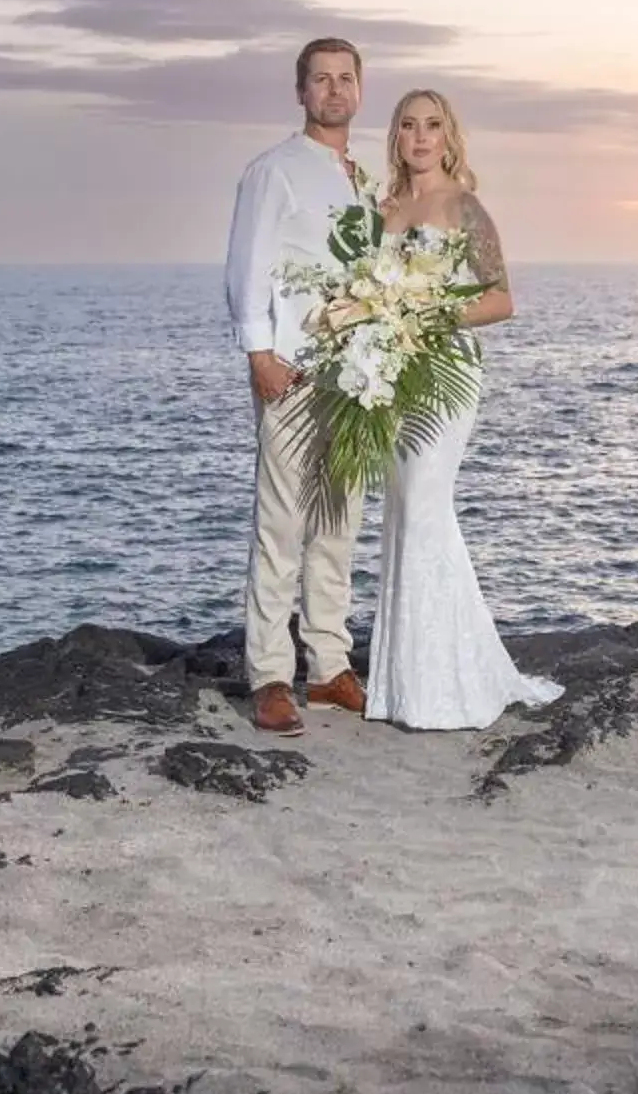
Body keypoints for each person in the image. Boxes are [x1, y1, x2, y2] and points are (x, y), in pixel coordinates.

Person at [363, 88, 564, 731]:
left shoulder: (465, 207)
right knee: (403, 509)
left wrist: (428, 314)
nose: (420, 137)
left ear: (450, 137)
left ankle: (446, 687)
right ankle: (403, 685)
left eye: (433, 126)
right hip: (392, 370)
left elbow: (501, 301)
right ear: (395, 137)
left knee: (424, 500)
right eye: (408, 126)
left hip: (448, 369)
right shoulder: (385, 208)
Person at [223, 37, 375, 737]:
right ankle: (271, 676)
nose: (334, 91)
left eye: (345, 79)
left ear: (360, 90)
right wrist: (259, 352)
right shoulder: (273, 171)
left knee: (339, 524)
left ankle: (329, 666)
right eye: (321, 80)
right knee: (281, 523)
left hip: (356, 377)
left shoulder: (361, 178)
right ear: (301, 92)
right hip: (291, 369)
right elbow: (247, 267)